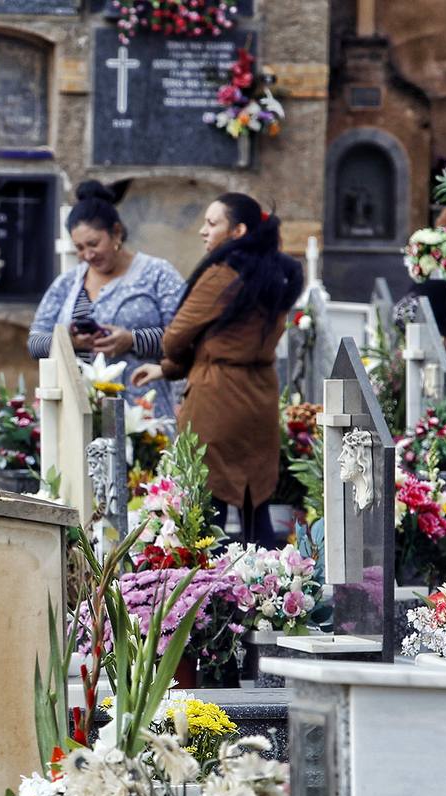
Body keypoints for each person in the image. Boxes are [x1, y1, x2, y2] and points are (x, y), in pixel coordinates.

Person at [131, 192, 304, 547]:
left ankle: (210, 596)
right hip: (259, 395)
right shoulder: (275, 276)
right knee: (256, 507)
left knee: (207, 513)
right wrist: (167, 371)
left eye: (212, 224)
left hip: (217, 397)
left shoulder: (221, 276)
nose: (202, 231)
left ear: (238, 230)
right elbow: (228, 339)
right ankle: (269, 589)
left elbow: (175, 337)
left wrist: (172, 364)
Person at [27, 180, 186, 420]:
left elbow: (185, 337)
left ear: (117, 233)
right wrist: (71, 342)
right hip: (76, 415)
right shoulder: (68, 283)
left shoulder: (158, 274)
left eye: (93, 244)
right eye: (79, 247)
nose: (87, 255)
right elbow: (35, 343)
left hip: (142, 413)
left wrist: (132, 340)